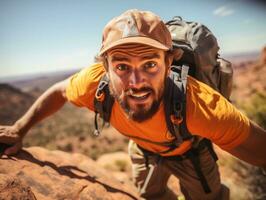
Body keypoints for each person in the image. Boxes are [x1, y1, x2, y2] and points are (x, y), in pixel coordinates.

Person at [0, 9, 265, 200]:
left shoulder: (201, 105)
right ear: (104, 67)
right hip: (143, 150)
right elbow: (59, 91)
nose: (136, 82)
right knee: (152, 194)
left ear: (168, 63)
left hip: (190, 153)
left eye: (150, 64)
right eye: (122, 66)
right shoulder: (93, 83)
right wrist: (20, 129)